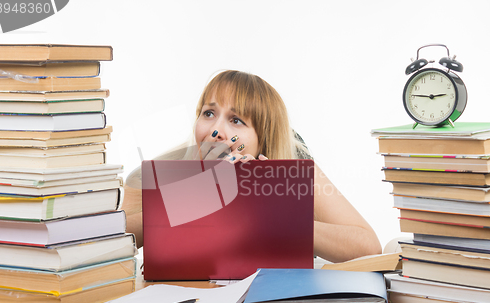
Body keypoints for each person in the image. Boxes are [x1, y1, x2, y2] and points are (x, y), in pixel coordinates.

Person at [123, 70, 382, 263]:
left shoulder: (297, 174)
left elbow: (368, 248)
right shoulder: (158, 171)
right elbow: (113, 238)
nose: (216, 130)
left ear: (263, 138)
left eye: (236, 120)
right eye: (209, 113)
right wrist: (197, 195)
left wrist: (274, 214)